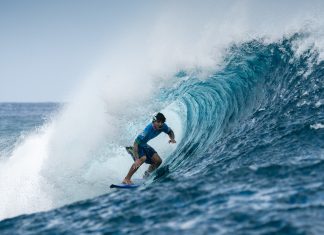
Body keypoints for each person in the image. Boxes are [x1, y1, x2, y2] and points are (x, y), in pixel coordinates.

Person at [123, 112, 176, 184]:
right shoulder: (147, 130)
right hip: (138, 145)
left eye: (162, 122)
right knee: (142, 159)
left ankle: (146, 176)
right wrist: (137, 159)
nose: (160, 124)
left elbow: (170, 131)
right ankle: (127, 179)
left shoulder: (163, 126)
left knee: (158, 161)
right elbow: (136, 143)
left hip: (144, 144)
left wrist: (172, 138)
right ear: (154, 121)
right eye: (158, 122)